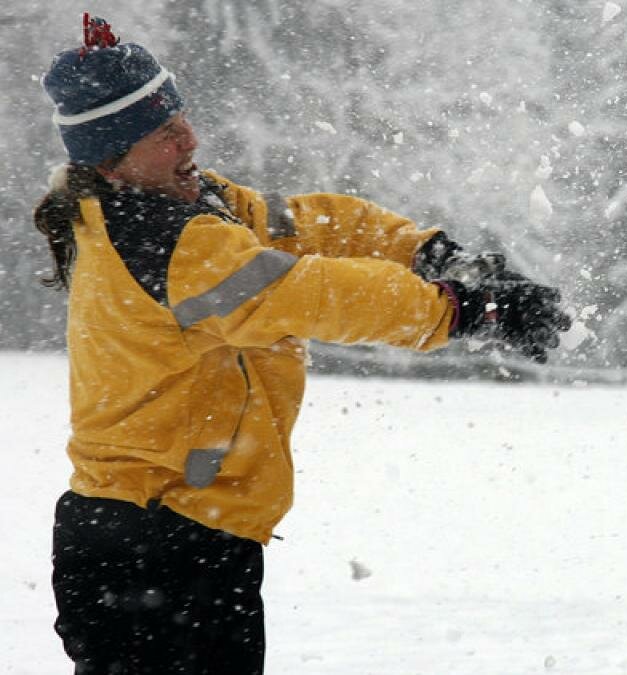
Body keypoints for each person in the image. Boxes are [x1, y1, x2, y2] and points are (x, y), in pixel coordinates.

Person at [35, 15, 570, 674]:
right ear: (110, 158)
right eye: (163, 132)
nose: (189, 138)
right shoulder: (166, 242)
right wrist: (462, 310)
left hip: (165, 533)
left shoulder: (189, 203)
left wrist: (426, 251)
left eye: (181, 117)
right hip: (157, 540)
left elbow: (304, 225)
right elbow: (309, 291)